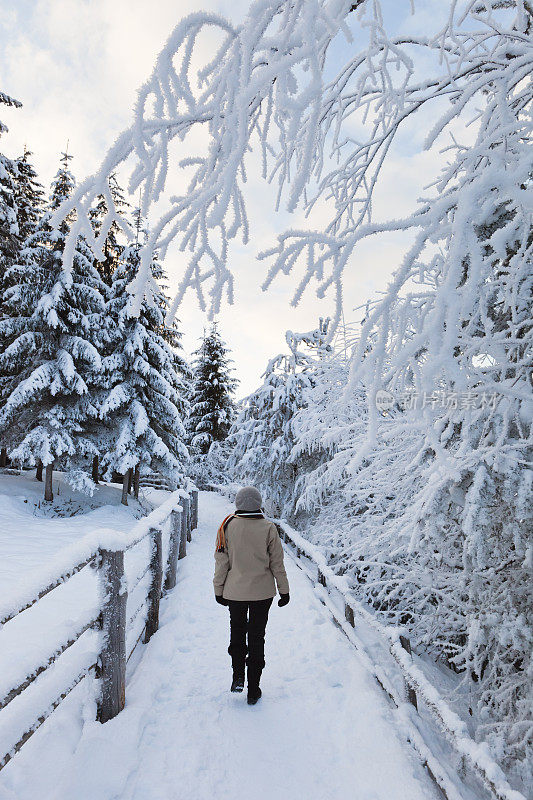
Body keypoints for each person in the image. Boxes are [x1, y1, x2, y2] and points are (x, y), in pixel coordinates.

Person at [213, 486, 290, 705]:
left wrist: (218, 589)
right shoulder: (268, 528)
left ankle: (238, 674)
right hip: (262, 593)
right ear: (259, 503)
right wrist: (284, 590)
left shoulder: (227, 527)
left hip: (235, 592)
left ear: (238, 503)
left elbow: (222, 562)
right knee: (257, 637)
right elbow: (277, 563)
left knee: (237, 632)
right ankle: (253, 688)